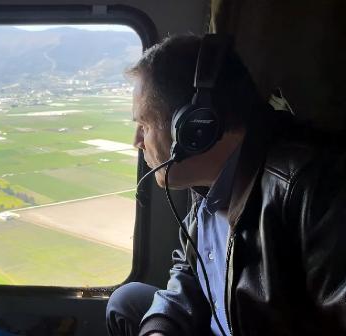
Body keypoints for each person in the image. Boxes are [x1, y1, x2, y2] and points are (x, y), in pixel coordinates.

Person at [106, 35, 346, 336]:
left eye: (144, 125)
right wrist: (160, 328)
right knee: (126, 300)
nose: (137, 142)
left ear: (195, 128)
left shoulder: (311, 188)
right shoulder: (209, 178)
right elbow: (193, 268)